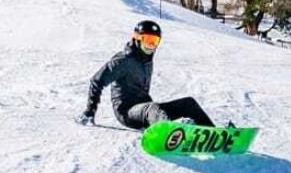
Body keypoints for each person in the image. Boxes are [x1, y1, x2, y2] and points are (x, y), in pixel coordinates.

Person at [80, 20, 220, 129]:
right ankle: (169, 132)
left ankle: (214, 134)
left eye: (155, 41)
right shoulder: (124, 60)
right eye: (147, 40)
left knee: (188, 103)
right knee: (152, 108)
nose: (151, 45)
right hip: (127, 112)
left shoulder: (146, 60)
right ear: (137, 38)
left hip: (146, 109)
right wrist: (89, 112)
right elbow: (96, 80)